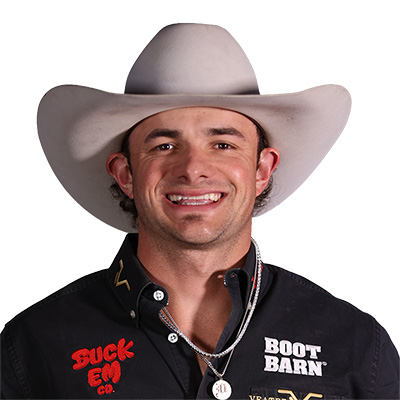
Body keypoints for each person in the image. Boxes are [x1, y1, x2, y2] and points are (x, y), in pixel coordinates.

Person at [1, 23, 398, 400]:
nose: (193, 168)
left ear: (262, 170)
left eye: (223, 145)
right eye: (164, 146)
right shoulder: (35, 347)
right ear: (126, 174)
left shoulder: (355, 347)